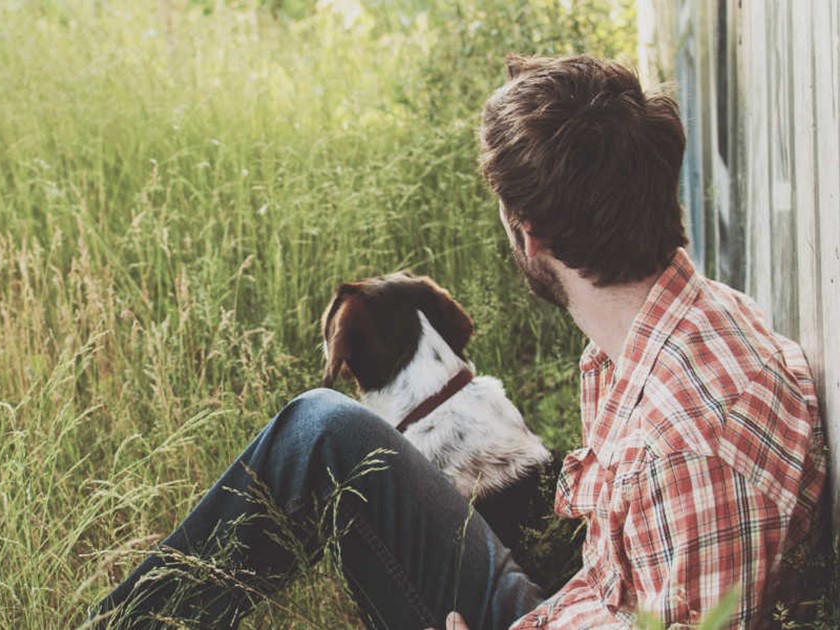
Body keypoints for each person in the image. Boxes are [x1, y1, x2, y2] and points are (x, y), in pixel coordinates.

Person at [89, 55, 827, 629]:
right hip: (578, 603)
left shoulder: (683, 446)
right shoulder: (682, 323)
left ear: (528, 237)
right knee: (326, 427)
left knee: (319, 434)